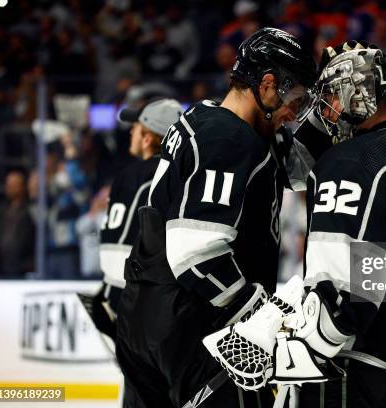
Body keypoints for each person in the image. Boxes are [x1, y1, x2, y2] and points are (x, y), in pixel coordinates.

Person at [205, 41, 386, 408]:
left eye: (331, 96)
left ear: (355, 97)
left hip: (370, 367)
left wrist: (289, 354)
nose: (325, 111)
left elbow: (342, 296)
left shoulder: (349, 162)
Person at [116, 28, 325, 408]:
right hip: (190, 322)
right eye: (294, 96)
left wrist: (337, 112)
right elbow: (196, 253)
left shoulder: (208, 118)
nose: (296, 110)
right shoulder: (228, 139)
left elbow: (293, 169)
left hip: (146, 312)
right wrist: (262, 310)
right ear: (267, 84)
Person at [82, 98, 183, 343]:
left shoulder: (134, 175)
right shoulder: (183, 175)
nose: (130, 132)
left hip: (127, 301)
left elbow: (117, 250)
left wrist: (112, 298)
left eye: (136, 127)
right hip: (162, 302)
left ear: (148, 138)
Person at [0, 170, 35, 277]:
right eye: (8, 185)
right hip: (0, 267)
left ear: (23, 187)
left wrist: (30, 263)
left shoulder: (30, 211)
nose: (10, 188)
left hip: (22, 268)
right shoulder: (0, 212)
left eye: (14, 185)